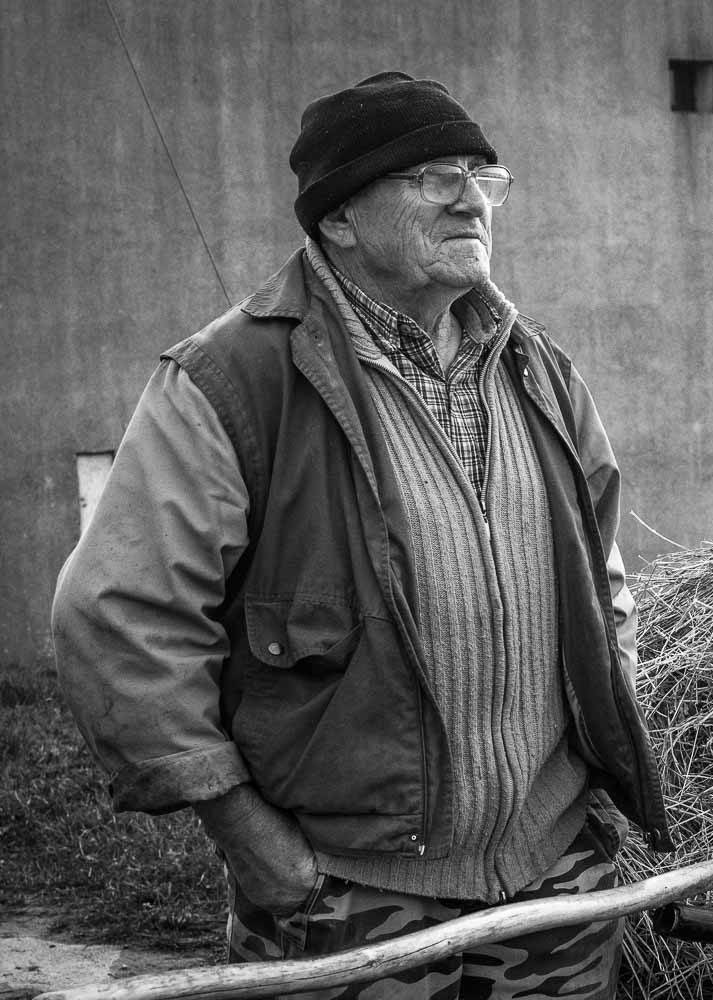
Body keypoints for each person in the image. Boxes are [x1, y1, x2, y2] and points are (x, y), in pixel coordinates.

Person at [50, 70, 673, 999]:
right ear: (339, 217)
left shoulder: (538, 369)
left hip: (553, 880)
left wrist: (592, 776)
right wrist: (245, 834)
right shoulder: (234, 381)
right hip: (345, 890)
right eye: (433, 177)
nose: (472, 199)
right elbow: (120, 618)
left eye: (482, 176)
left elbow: (602, 580)